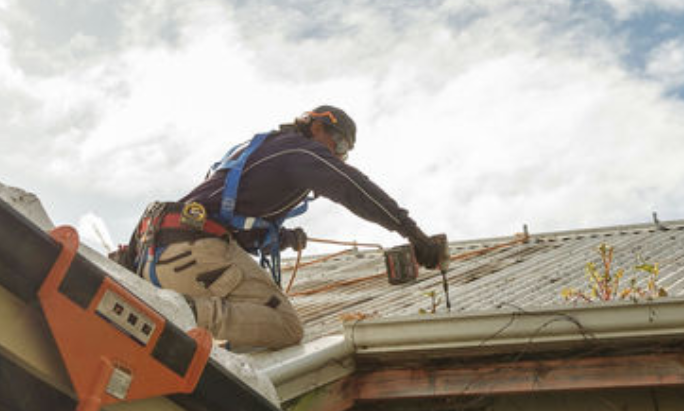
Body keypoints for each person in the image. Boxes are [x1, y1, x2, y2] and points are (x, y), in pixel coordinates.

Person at [122, 106, 445, 350]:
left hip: (159, 254)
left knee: (245, 331)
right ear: (317, 126)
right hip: (193, 253)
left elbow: (233, 222)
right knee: (285, 327)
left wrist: (284, 238)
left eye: (345, 151)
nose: (340, 155)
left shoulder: (262, 150)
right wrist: (413, 234)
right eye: (341, 144)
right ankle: (179, 312)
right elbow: (353, 188)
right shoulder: (297, 149)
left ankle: (180, 314)